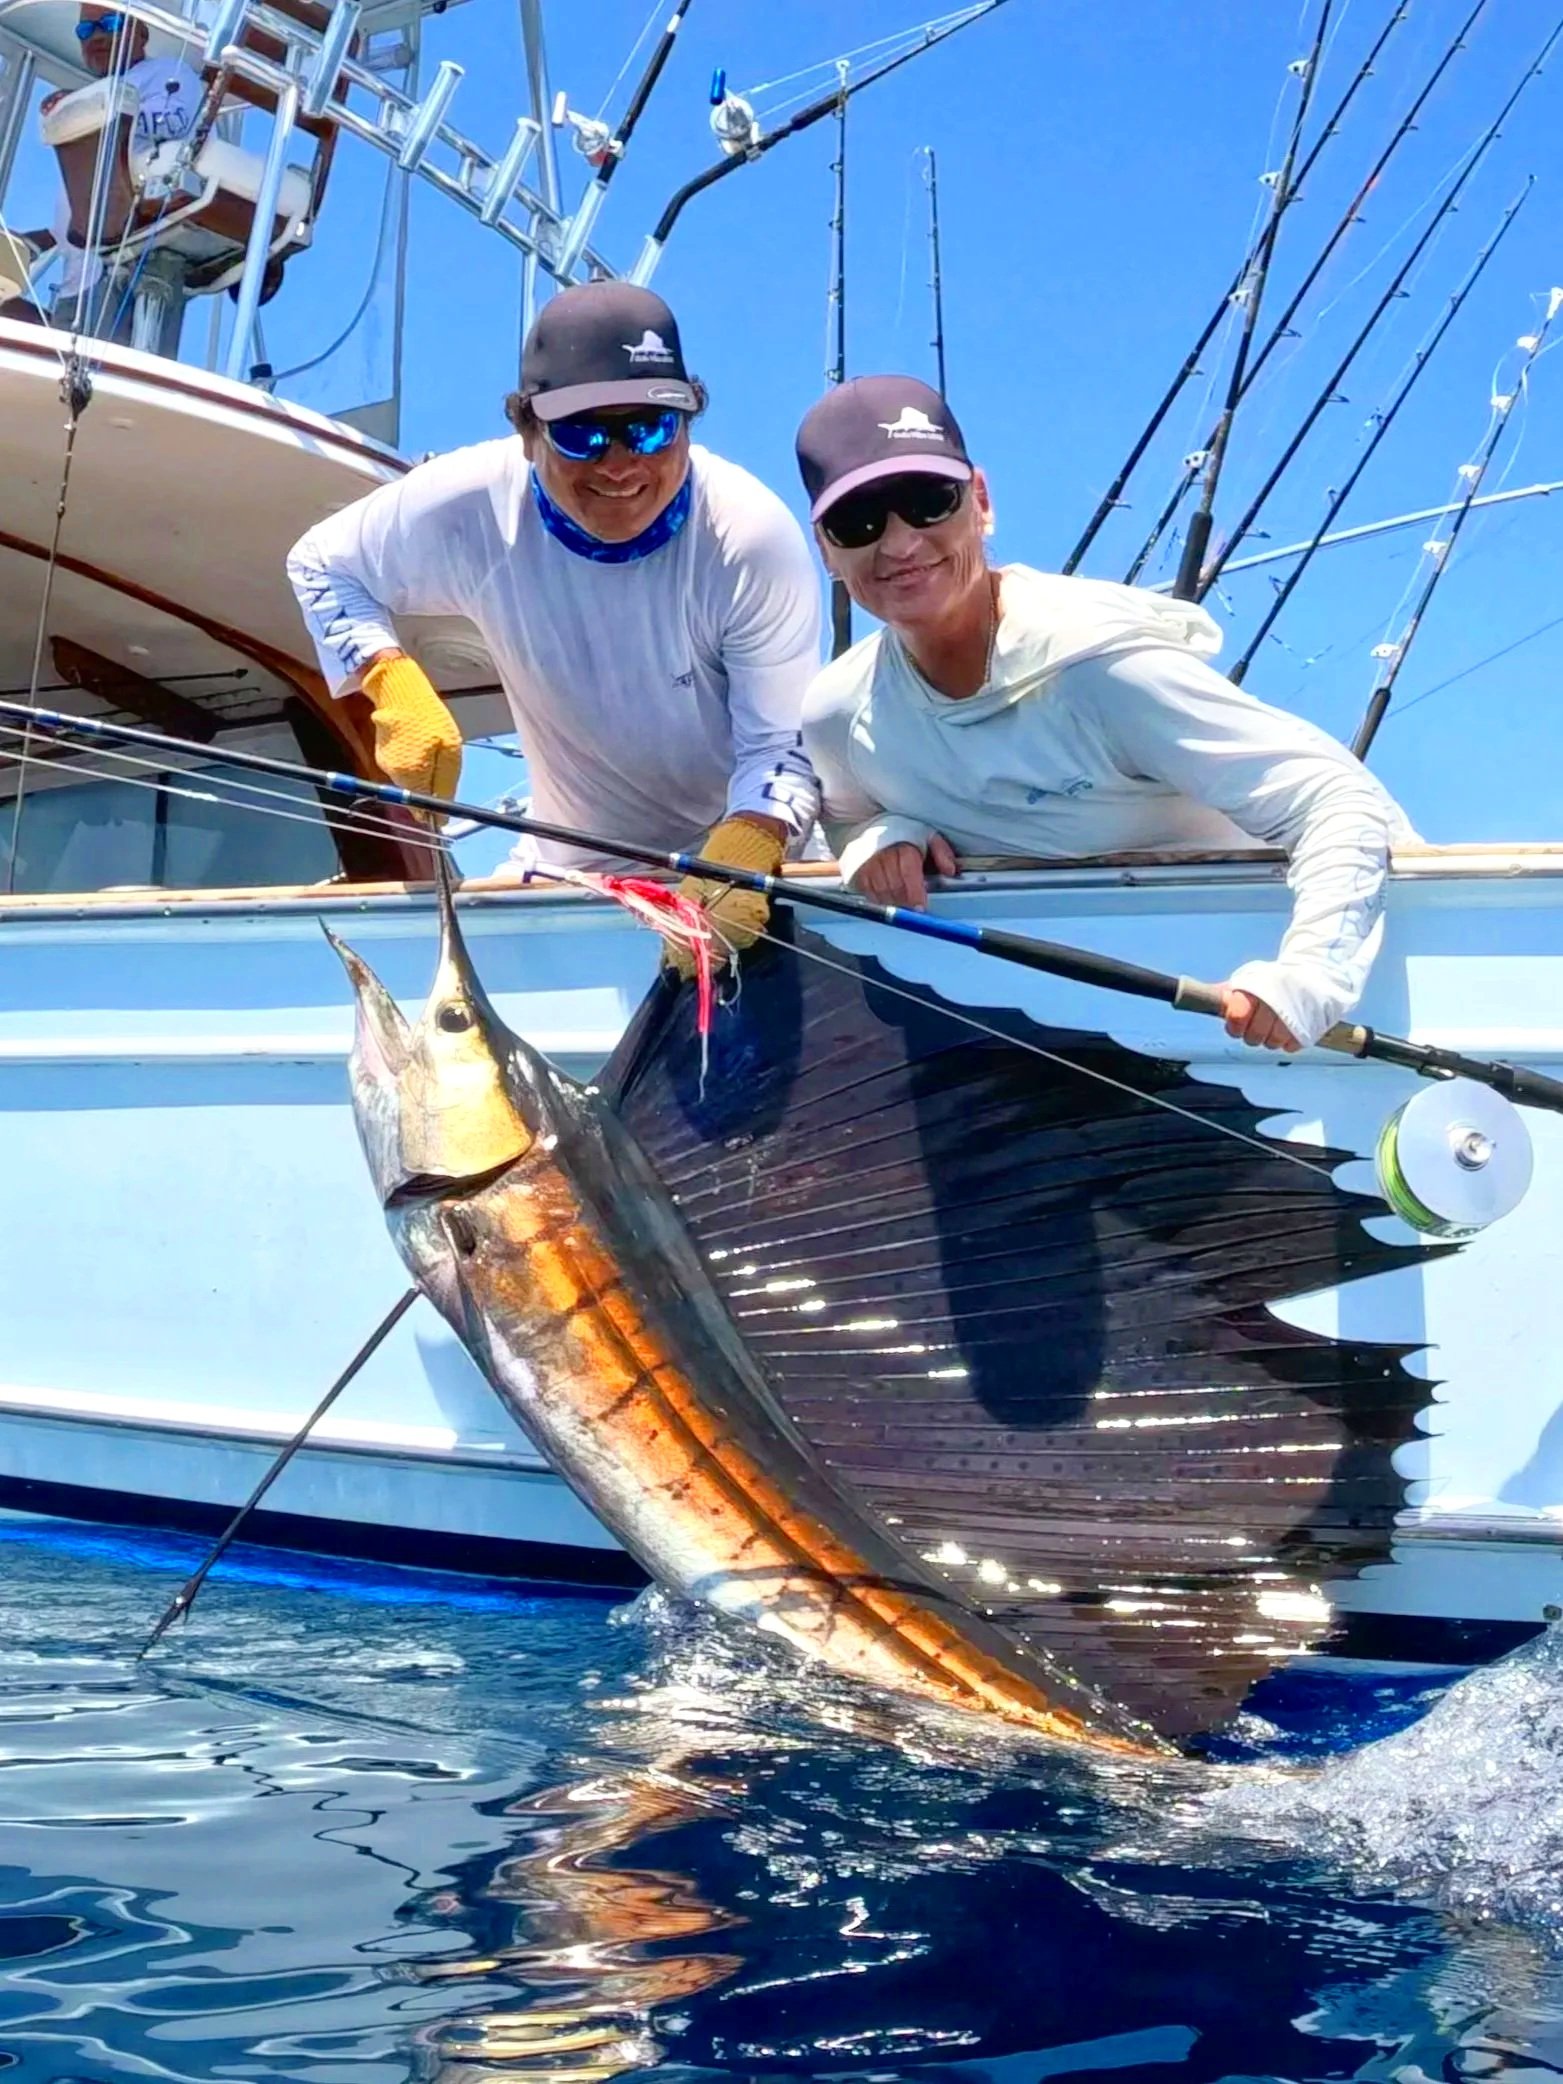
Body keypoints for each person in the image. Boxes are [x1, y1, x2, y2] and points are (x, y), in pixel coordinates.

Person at [795, 376, 1416, 1052]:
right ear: (825, 548)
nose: (899, 544)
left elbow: (1338, 797)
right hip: (1054, 1038)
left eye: (927, 502)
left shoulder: (1099, 670)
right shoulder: (837, 714)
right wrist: (880, 833)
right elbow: (845, 820)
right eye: (856, 521)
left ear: (979, 502)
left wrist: (1308, 974)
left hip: (1282, 1007)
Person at [287, 282, 821, 966]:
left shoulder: (748, 536)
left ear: (689, 420)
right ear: (527, 430)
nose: (620, 462)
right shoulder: (467, 501)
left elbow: (779, 748)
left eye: (651, 426)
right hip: (567, 871)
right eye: (583, 432)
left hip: (741, 887)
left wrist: (744, 849)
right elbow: (320, 563)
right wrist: (390, 682)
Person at [5, 8, 208, 336]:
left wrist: (90, 107)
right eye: (86, 30)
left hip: (117, 274)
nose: (96, 36)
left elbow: (172, 124)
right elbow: (78, 215)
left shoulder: (168, 71)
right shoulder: (107, 91)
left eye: (111, 24)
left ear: (141, 34)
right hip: (76, 283)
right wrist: (31, 243)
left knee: (82, 379)